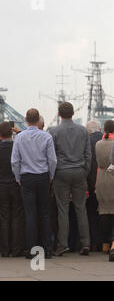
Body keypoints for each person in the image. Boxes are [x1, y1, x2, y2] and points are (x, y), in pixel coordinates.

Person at [11, 108, 57, 259]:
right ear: (38, 120)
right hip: (43, 176)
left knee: (30, 214)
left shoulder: (19, 137)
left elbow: (15, 161)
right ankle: (47, 249)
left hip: (27, 178)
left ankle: (32, 249)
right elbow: (52, 160)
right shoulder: (47, 137)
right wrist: (50, 176)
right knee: (45, 213)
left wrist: (18, 178)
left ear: (26, 119)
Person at [50, 102, 91, 256]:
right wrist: (85, 171)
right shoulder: (83, 131)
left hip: (61, 172)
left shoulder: (54, 131)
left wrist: (52, 175)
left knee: (63, 209)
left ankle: (63, 244)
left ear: (59, 114)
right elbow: (88, 154)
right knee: (81, 208)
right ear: (73, 113)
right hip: (79, 171)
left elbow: (52, 157)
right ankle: (86, 243)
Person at [0, 121, 25, 257]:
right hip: (15, 183)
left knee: (4, 217)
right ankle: (16, 249)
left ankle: (5, 249)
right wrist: (19, 131)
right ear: (11, 132)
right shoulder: (17, 146)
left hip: (1, 184)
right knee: (17, 216)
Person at [94, 120, 114, 261]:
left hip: (101, 178)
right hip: (113, 176)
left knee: (104, 211)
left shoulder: (98, 144)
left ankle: (105, 244)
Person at [86, 120, 103, 252]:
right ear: (100, 129)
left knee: (90, 214)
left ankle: (93, 242)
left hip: (90, 183)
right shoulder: (105, 140)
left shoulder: (87, 141)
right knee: (105, 214)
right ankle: (105, 242)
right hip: (104, 182)